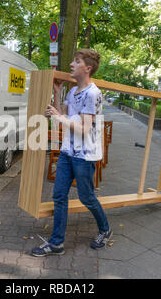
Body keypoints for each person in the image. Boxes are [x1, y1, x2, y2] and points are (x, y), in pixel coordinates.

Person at [31, 49, 112, 257]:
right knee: (59, 195)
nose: (72, 64)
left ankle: (105, 229)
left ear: (88, 68)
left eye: (76, 61)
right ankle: (56, 243)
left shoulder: (93, 93)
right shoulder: (73, 91)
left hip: (84, 155)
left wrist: (58, 116)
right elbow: (63, 113)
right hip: (68, 151)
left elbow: (84, 129)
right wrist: (57, 93)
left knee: (86, 197)